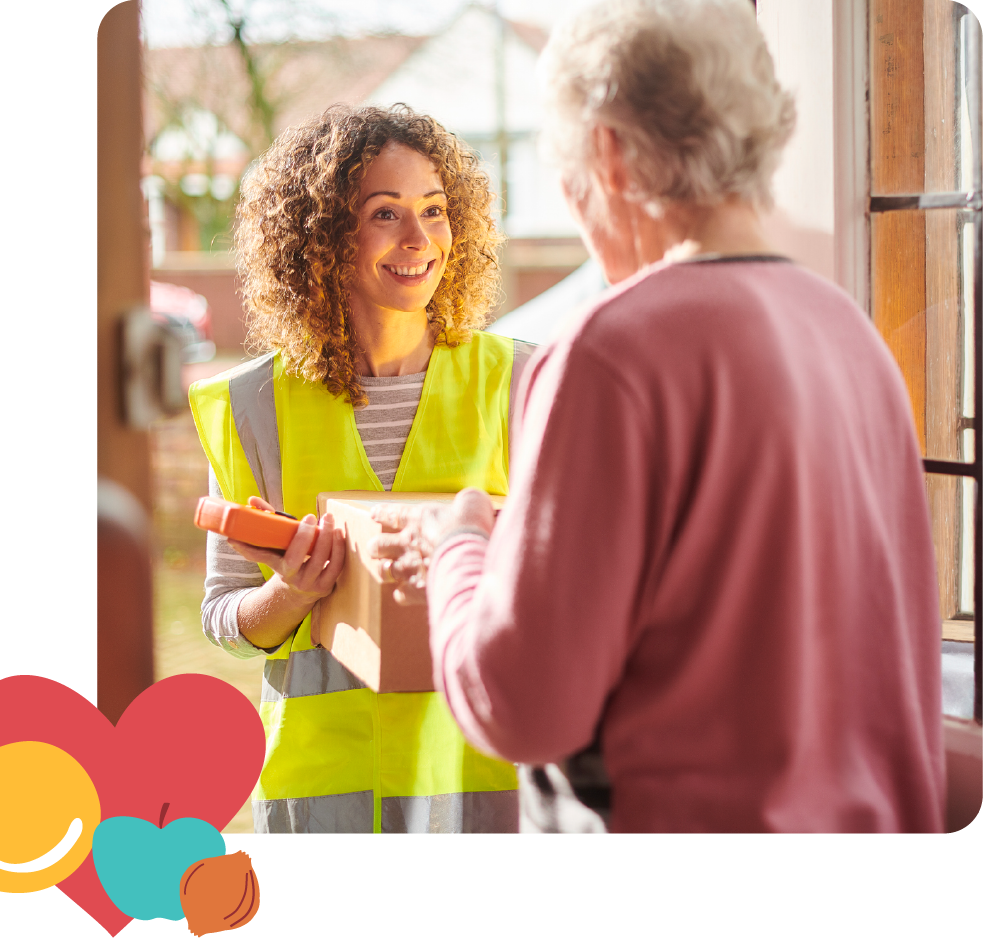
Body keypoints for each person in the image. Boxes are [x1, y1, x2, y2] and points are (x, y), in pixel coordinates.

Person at [372, 0, 945, 833]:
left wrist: (459, 543)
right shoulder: (849, 333)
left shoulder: (610, 353)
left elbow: (519, 706)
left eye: (565, 180)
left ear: (606, 154)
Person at [189, 104, 533, 834]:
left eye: (434, 211)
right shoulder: (252, 403)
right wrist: (288, 594)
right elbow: (224, 615)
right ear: (322, 234)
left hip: (480, 783)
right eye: (386, 214)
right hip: (323, 801)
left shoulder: (520, 382)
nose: (419, 240)